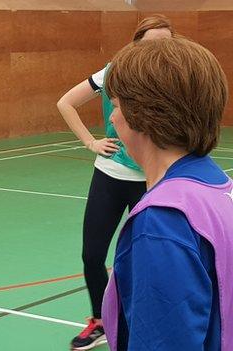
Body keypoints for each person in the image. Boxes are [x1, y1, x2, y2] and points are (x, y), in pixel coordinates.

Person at [102, 37, 230, 351]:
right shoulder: (219, 189)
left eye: (116, 105)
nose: (111, 117)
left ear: (143, 114)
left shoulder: (163, 221)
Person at [56, 15, 174, 350]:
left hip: (153, 180)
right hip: (109, 176)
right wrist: (90, 142)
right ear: (136, 44)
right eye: (152, 43)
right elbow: (66, 102)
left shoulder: (173, 79)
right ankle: (100, 322)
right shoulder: (113, 72)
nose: (159, 51)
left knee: (151, 258)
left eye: (166, 43)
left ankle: (147, 323)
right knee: (92, 255)